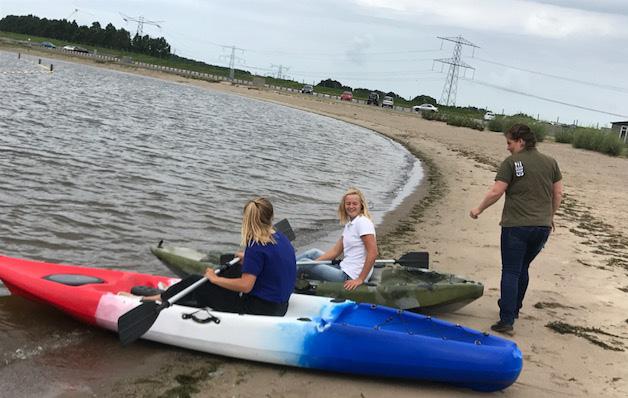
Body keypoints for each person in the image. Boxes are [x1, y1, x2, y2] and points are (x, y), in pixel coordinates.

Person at [470, 123, 563, 334]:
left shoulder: (511, 163)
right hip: (542, 227)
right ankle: (515, 308)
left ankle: (507, 320)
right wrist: (550, 217)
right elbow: (558, 194)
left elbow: (496, 191)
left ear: (521, 141)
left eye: (509, 142)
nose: (507, 147)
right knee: (523, 268)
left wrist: (479, 209)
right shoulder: (550, 162)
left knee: (511, 271)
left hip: (516, 227)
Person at [147, 197, 296, 316]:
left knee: (197, 281)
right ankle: (176, 295)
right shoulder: (280, 237)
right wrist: (249, 259)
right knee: (232, 269)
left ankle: (161, 299)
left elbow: (246, 286)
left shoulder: (255, 245)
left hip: (259, 309)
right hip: (280, 306)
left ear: (248, 220)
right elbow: (272, 260)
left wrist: (215, 279)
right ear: (271, 216)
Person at [297, 187, 378, 291]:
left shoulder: (363, 222)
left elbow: (373, 252)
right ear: (344, 206)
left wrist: (360, 279)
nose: (351, 206)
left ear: (361, 205)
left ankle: (284, 279)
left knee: (304, 262)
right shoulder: (350, 225)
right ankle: (282, 268)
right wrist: (313, 263)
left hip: (349, 276)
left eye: (354, 203)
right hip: (343, 267)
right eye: (348, 203)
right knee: (313, 253)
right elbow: (335, 252)